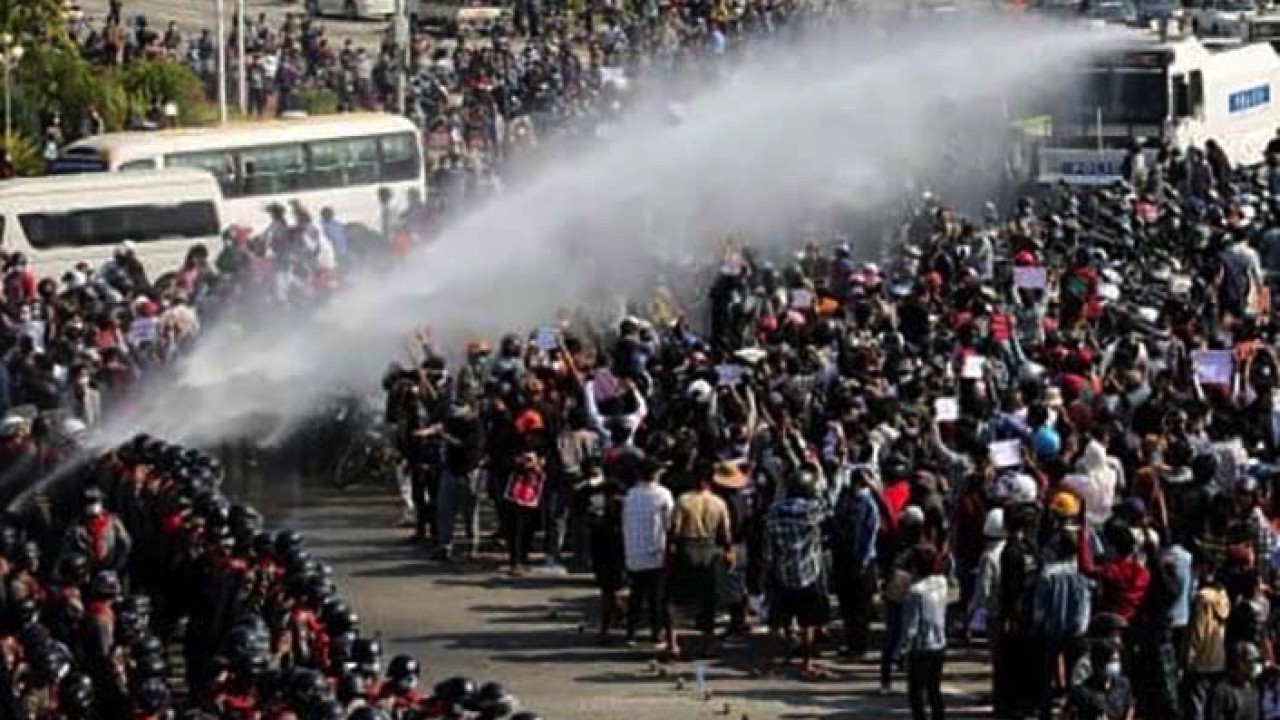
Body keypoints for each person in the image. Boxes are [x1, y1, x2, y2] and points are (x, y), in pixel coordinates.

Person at [760, 469, 829, 680]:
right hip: (808, 573)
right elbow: (826, 502)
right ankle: (806, 665)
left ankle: (768, 664)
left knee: (775, 622)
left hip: (782, 573)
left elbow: (768, 549)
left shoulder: (774, 512)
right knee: (807, 623)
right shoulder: (812, 512)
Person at [667, 461, 733, 659]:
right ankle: (708, 644)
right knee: (708, 599)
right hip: (709, 549)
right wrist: (728, 552)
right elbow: (725, 533)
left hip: (687, 548)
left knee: (675, 598)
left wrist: (671, 550)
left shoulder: (683, 500)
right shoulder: (719, 503)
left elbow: (674, 530)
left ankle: (673, 644)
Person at [621, 456, 674, 651]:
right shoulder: (663, 494)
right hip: (656, 552)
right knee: (656, 597)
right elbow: (670, 523)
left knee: (636, 595)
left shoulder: (631, 494)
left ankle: (630, 632)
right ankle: (656, 633)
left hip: (634, 551)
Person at [898, 545, 948, 720]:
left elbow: (911, 625)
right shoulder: (941, 583)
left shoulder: (915, 592)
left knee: (916, 691)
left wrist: (902, 649)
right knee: (934, 689)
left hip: (920, 647)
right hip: (939, 643)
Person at [1064, 639, 1135, 720]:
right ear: (1097, 663)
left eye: (1117, 661)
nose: (1115, 665)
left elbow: (1129, 707)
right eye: (1111, 661)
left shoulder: (1123, 685)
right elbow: (1068, 714)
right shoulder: (1082, 693)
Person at [1208, 642, 1263, 720]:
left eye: (1257, 661)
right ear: (1239, 663)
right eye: (1251, 662)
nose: (1255, 666)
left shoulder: (1254, 688)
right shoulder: (1222, 692)